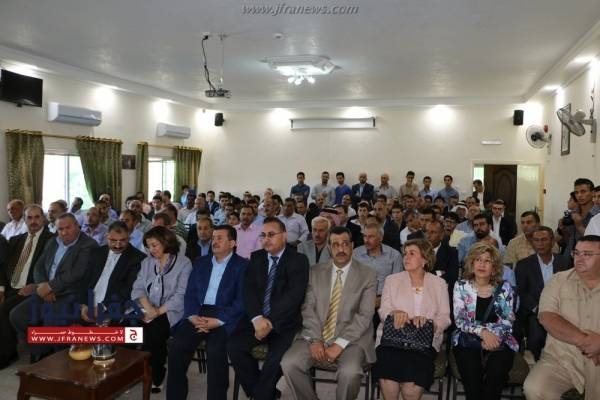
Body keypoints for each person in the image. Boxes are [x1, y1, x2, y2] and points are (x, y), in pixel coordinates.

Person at [281, 226, 376, 400]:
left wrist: (339, 344)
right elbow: (307, 308)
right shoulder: (314, 272)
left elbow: (364, 316)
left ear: (352, 246)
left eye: (345, 244)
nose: (341, 249)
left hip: (352, 339)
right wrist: (315, 339)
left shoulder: (368, 275)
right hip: (316, 333)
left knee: (350, 373)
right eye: (335, 245)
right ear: (329, 248)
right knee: (289, 363)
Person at [228, 217, 309, 400]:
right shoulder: (257, 257)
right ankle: (265, 394)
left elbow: (294, 297)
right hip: (257, 319)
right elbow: (248, 291)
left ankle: (260, 396)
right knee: (234, 346)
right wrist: (257, 319)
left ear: (284, 236)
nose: (266, 239)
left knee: (275, 360)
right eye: (263, 235)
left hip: (284, 323)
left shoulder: (298, 260)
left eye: (271, 235)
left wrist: (269, 322)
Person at [166, 225, 248, 400]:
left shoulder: (243, 266)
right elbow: (190, 293)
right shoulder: (200, 262)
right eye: (214, 238)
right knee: (177, 347)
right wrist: (192, 315)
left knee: (215, 350)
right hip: (198, 311)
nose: (214, 242)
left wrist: (219, 320)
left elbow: (242, 301)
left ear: (232, 243)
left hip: (225, 314)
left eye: (220, 238)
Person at [10, 213, 98, 362]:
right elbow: (38, 267)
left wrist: (50, 286)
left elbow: (76, 273)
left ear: (77, 226)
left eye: (68, 228)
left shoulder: (88, 245)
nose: (64, 232)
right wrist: (43, 286)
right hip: (46, 291)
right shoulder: (53, 242)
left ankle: (57, 359)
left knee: (52, 320)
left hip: (71, 294)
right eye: (60, 229)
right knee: (17, 315)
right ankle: (41, 351)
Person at [523, 235, 600, 400]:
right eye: (576, 253)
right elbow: (547, 317)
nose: (579, 258)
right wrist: (587, 341)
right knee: (535, 388)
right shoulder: (559, 280)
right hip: (562, 359)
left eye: (587, 254)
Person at [374, 239, 451, 399]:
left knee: (410, 389)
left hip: (423, 343)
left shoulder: (439, 283)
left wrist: (431, 324)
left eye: (412, 253)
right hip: (392, 340)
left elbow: (445, 316)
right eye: (405, 254)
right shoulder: (392, 280)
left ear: (424, 259)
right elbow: (383, 310)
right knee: (389, 383)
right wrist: (395, 313)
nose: (406, 257)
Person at [451, 242, 519, 400]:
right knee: (472, 379)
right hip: (468, 339)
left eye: (487, 261)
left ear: (494, 268)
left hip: (498, 339)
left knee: (496, 376)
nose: (481, 264)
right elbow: (460, 320)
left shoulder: (504, 288)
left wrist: (491, 337)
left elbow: (507, 321)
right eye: (478, 260)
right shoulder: (461, 286)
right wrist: (483, 333)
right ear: (471, 263)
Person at [131, 226, 192, 393]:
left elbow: (181, 295)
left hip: (170, 311)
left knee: (154, 333)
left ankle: (156, 374)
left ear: (166, 242)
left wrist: (157, 312)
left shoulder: (183, 263)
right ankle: (134, 371)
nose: (151, 250)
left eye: (154, 245)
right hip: (147, 308)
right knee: (126, 329)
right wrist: (148, 308)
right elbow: (137, 288)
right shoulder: (147, 262)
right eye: (148, 246)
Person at [0, 205, 54, 368]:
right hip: (11, 287)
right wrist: (1, 288)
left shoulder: (52, 240)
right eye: (29, 218)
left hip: (30, 289)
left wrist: (35, 285)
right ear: (24, 220)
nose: (33, 221)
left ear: (43, 218)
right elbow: (2, 266)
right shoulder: (15, 240)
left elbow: (53, 269)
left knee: (3, 310)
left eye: (37, 217)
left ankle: (7, 354)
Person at [514, 226, 571, 360]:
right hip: (536, 311)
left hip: (562, 309)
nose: (540, 244)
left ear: (552, 242)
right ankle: (540, 360)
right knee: (536, 336)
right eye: (536, 240)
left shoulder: (565, 262)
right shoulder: (523, 265)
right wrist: (538, 309)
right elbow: (522, 293)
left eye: (544, 240)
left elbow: (570, 288)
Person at [80, 221, 146, 324]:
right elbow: (84, 280)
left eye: (123, 240)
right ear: (107, 237)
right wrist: (83, 305)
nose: (118, 245)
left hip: (113, 309)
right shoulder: (96, 253)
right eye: (113, 240)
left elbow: (128, 289)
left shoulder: (138, 258)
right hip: (87, 305)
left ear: (129, 238)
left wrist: (103, 307)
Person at [353, 223, 403, 301]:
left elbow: (397, 284)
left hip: (386, 300)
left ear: (381, 238)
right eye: (365, 236)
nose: (366, 240)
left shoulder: (394, 255)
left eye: (371, 237)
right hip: (360, 300)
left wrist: (380, 300)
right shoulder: (356, 254)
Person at [425, 220, 459, 293]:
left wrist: (426, 274)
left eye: (433, 232)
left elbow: (452, 277)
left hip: (441, 292)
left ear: (441, 235)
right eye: (426, 232)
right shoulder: (418, 251)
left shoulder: (451, 253)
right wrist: (439, 273)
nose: (428, 236)